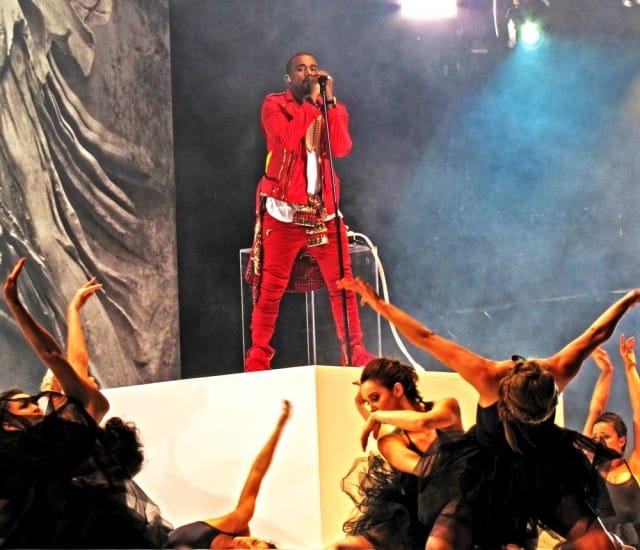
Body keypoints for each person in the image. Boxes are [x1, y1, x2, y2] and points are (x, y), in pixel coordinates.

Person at [337, 276, 640, 550]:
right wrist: (378, 304)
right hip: (486, 474)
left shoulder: (558, 369)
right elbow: (426, 337)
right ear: (506, 401)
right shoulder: (486, 375)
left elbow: (596, 333)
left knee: (601, 546)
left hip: (542, 467)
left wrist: (629, 299)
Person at [0, 257, 173, 548]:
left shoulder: (66, 426)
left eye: (34, 401)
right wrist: (72, 312)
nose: (37, 405)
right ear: (8, 424)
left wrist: (18, 304)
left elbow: (63, 359)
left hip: (68, 527)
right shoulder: (61, 427)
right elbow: (69, 360)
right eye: (26, 405)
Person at [244, 51, 373, 371]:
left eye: (313, 68)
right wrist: (311, 105)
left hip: (323, 213)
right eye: (301, 69)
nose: (309, 73)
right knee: (270, 289)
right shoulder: (274, 104)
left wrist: (329, 104)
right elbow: (285, 141)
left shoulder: (330, 107)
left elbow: (341, 147)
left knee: (343, 287)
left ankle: (355, 351)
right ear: (289, 78)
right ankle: (258, 356)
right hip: (284, 212)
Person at [335, 357, 464, 550]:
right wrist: (373, 415)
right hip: (419, 513)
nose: (373, 408)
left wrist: (376, 416)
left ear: (397, 389)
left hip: (468, 497)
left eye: (375, 398)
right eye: (368, 403)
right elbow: (426, 469)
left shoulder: (446, 405)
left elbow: (423, 422)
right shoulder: (390, 441)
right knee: (343, 547)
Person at [165, 399, 292, 549]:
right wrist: (280, 426)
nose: (245, 543)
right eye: (254, 542)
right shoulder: (238, 522)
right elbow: (257, 472)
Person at [579, 337, 640, 548]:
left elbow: (639, 410)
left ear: (622, 441)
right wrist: (607, 372)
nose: (598, 442)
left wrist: (630, 367)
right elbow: (595, 410)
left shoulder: (634, 467)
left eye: (605, 437)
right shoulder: (591, 467)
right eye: (595, 437)